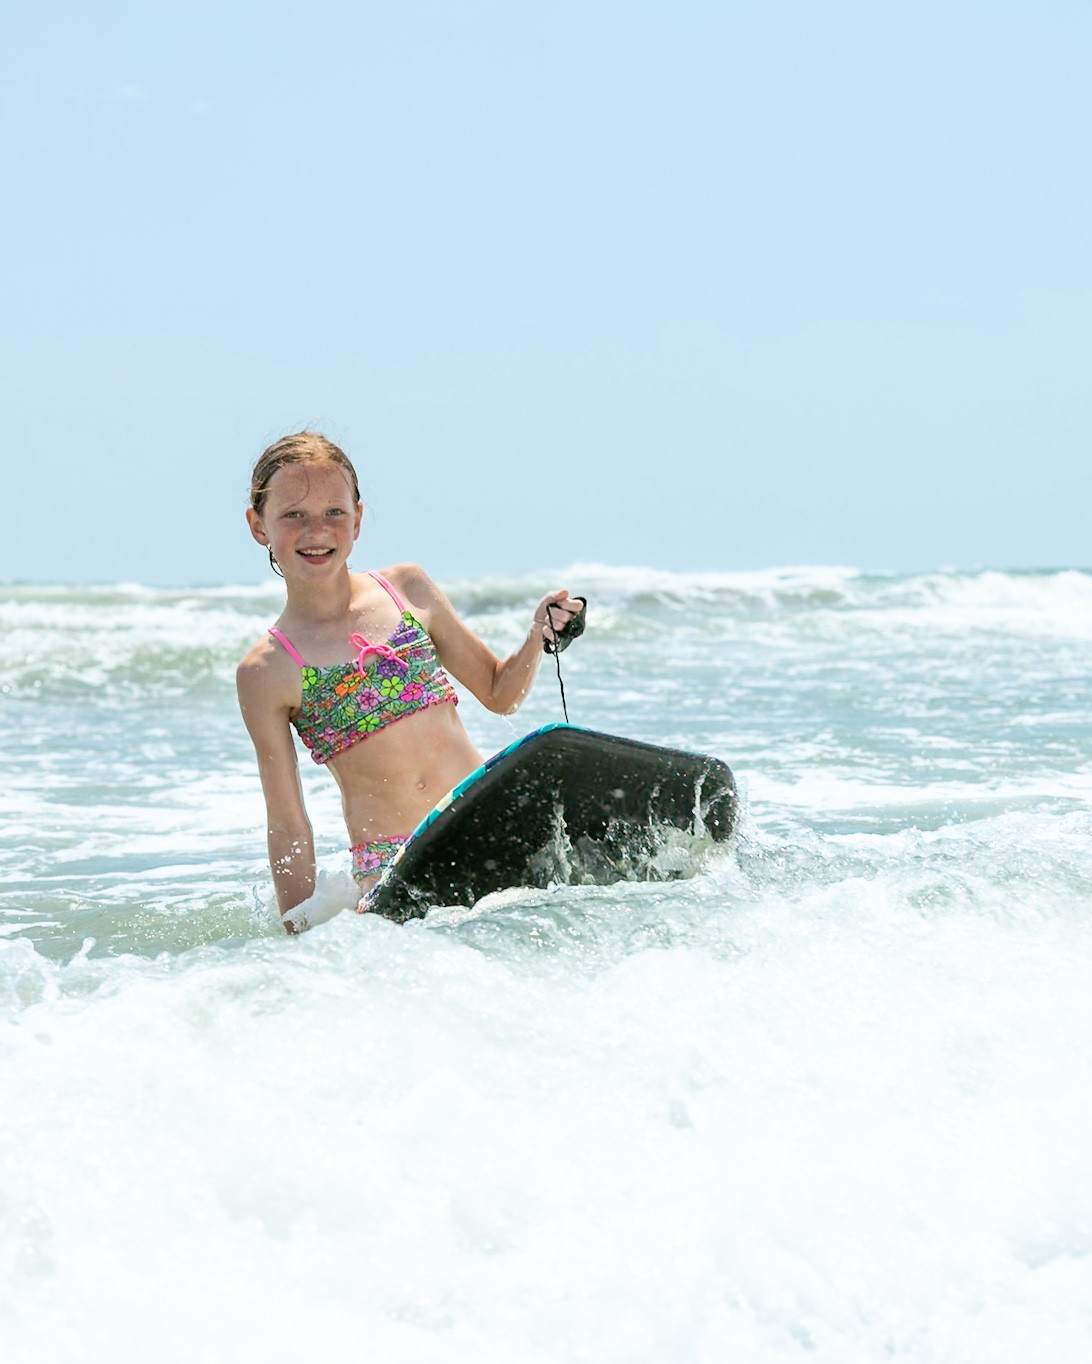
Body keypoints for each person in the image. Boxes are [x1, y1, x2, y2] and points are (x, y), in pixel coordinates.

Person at [236, 431, 584, 931]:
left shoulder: (406, 589)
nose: (318, 530)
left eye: (334, 511)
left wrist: (537, 636)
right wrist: (297, 934)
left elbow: (499, 693)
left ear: (358, 518)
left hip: (486, 823)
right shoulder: (266, 670)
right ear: (258, 525)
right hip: (397, 869)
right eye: (294, 514)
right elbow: (289, 823)